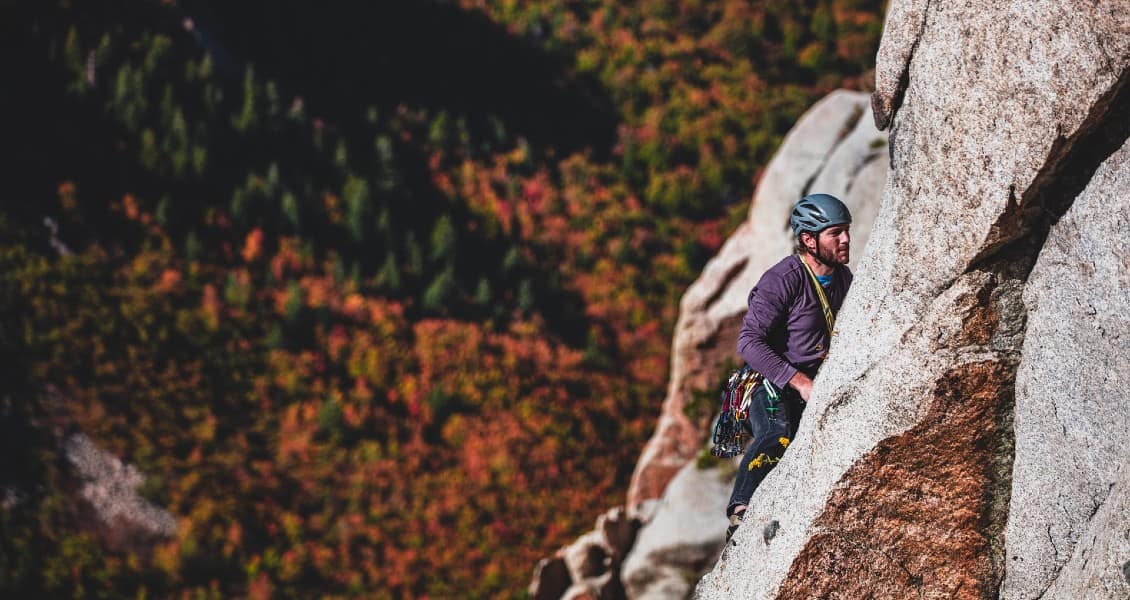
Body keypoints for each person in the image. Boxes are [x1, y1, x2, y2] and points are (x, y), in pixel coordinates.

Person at [724, 193, 853, 540]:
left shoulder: (842, 278)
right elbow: (748, 342)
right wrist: (799, 381)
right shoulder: (783, 279)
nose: (845, 240)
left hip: (810, 381)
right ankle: (741, 512)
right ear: (809, 240)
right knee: (777, 433)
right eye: (835, 233)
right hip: (768, 382)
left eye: (846, 231)